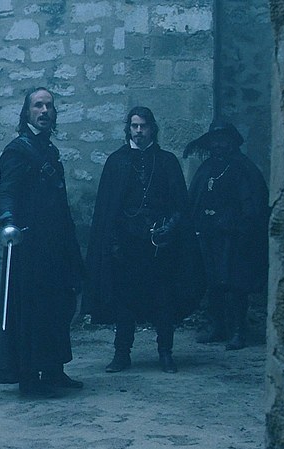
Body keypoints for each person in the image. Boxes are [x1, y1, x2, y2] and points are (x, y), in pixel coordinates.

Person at [84, 106, 196, 373]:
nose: (138, 131)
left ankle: (165, 353)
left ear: (152, 129)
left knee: (164, 299)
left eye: (143, 126)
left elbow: (180, 205)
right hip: (126, 246)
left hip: (160, 246)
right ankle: (122, 354)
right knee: (124, 302)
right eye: (134, 126)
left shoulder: (167, 161)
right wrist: (113, 243)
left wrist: (169, 228)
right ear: (128, 129)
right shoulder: (117, 162)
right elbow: (107, 210)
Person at [0, 87, 84, 398]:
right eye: (38, 106)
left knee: (57, 307)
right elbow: (6, 191)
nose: (45, 111)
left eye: (49, 106)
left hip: (56, 243)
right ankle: (29, 376)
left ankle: (54, 369)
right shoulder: (18, 151)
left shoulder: (49, 150)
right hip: (30, 246)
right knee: (32, 311)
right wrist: (7, 219)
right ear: (27, 112)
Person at [184, 117, 269, 350]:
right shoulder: (207, 168)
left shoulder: (243, 168)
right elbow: (195, 199)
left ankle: (239, 331)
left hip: (235, 238)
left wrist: (237, 225)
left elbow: (251, 204)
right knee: (214, 283)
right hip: (209, 236)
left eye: (223, 140)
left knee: (235, 284)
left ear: (231, 142)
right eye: (214, 140)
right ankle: (218, 326)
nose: (218, 145)